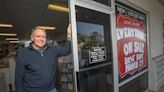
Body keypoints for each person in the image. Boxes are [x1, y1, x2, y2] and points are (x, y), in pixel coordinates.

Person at [15, 24, 72, 92]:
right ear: (32, 38)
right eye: (38, 36)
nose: (41, 39)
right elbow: (18, 79)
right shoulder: (23, 54)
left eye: (43, 36)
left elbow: (66, 51)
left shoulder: (52, 49)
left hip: (51, 89)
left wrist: (69, 35)